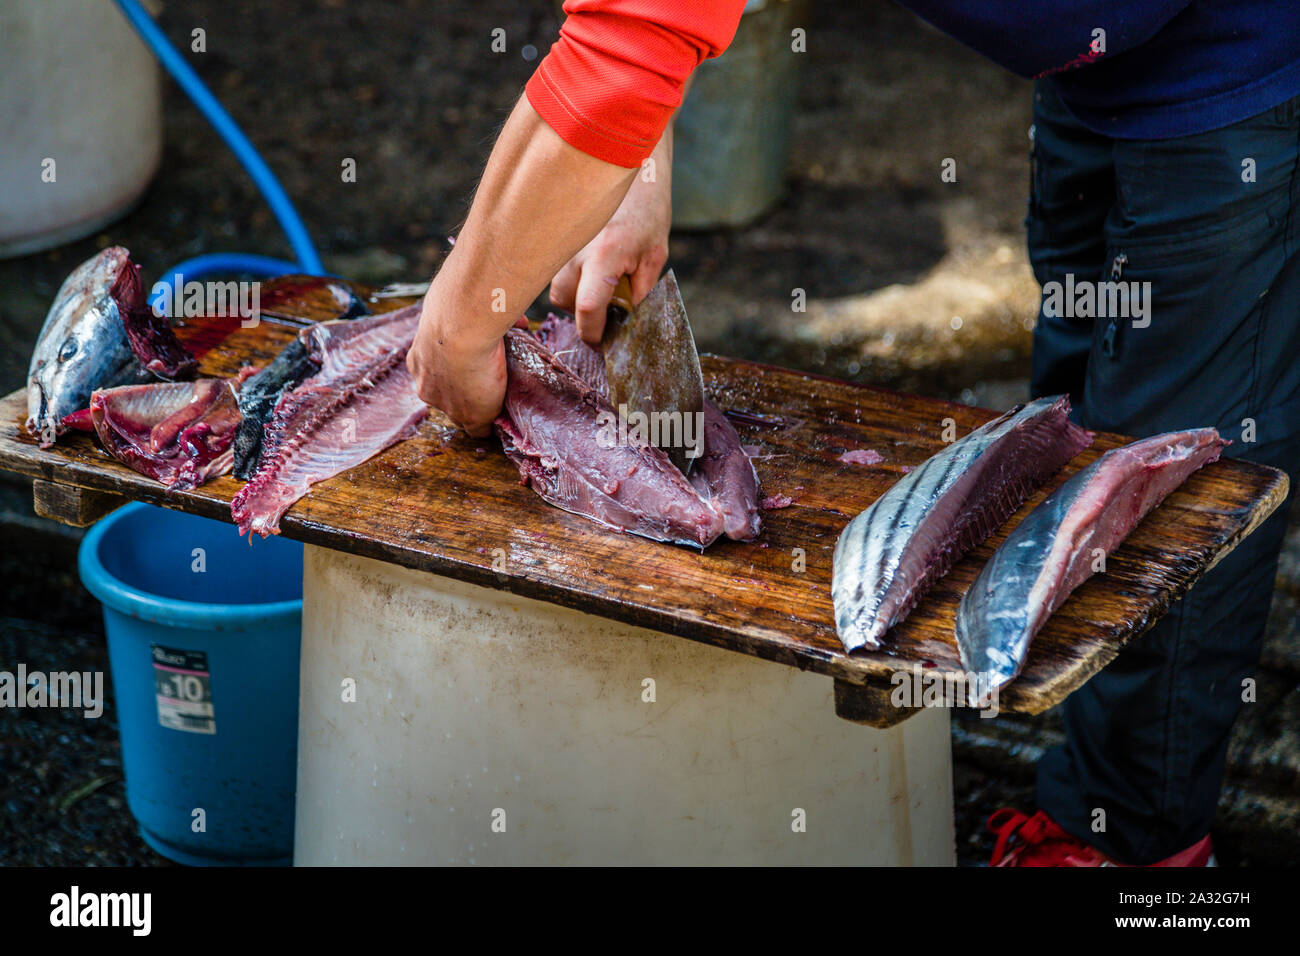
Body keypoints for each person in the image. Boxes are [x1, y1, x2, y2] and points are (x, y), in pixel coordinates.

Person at [407, 1, 1300, 866]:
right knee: (1072, 415)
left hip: (1236, 63)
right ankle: (1091, 764)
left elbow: (629, 41)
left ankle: (1136, 846)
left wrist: (459, 322)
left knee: (1173, 471)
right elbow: (629, 22)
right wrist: (635, 171)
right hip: (1094, 65)